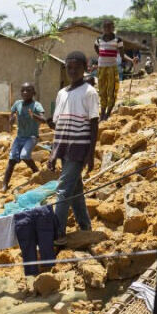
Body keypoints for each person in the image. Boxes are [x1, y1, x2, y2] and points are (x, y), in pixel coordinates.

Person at [47, 51, 100, 243]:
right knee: (75, 191)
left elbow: (94, 125)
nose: (72, 71)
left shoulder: (89, 92)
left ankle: (58, 233)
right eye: (69, 67)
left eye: (76, 68)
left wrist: (91, 154)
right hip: (63, 148)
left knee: (62, 190)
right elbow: (59, 125)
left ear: (84, 68)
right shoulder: (61, 93)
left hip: (79, 149)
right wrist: (53, 153)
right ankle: (85, 226)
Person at [3, 83, 46, 190]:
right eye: (23, 90)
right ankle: (5, 184)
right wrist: (11, 119)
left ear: (33, 93)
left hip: (31, 137)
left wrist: (34, 116)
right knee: (12, 159)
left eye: (28, 90)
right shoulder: (18, 104)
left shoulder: (36, 105)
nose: (25, 93)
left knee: (24, 155)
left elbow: (44, 119)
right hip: (19, 137)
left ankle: (36, 171)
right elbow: (11, 117)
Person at [93, 21, 134, 120]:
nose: (107, 29)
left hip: (112, 68)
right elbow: (95, 47)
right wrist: (101, 55)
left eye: (109, 27)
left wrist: (132, 60)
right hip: (101, 68)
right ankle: (102, 114)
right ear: (103, 28)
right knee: (102, 91)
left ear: (113, 28)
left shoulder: (118, 40)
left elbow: (122, 55)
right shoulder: (98, 39)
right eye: (105, 27)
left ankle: (108, 114)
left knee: (112, 91)